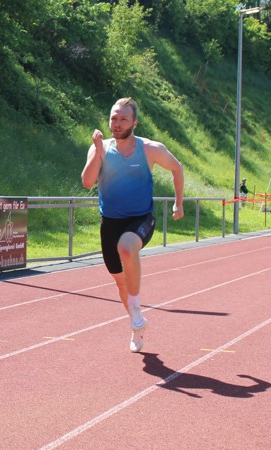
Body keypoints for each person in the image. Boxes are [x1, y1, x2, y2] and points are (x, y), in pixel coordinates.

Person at [81, 97, 185, 353]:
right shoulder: (100, 147)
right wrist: (97, 151)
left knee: (127, 247)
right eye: (113, 118)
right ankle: (137, 327)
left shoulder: (150, 148)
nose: (116, 124)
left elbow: (177, 168)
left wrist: (178, 203)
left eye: (123, 119)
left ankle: (137, 311)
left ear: (135, 122)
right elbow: (87, 182)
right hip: (110, 222)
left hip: (141, 218)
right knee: (120, 283)